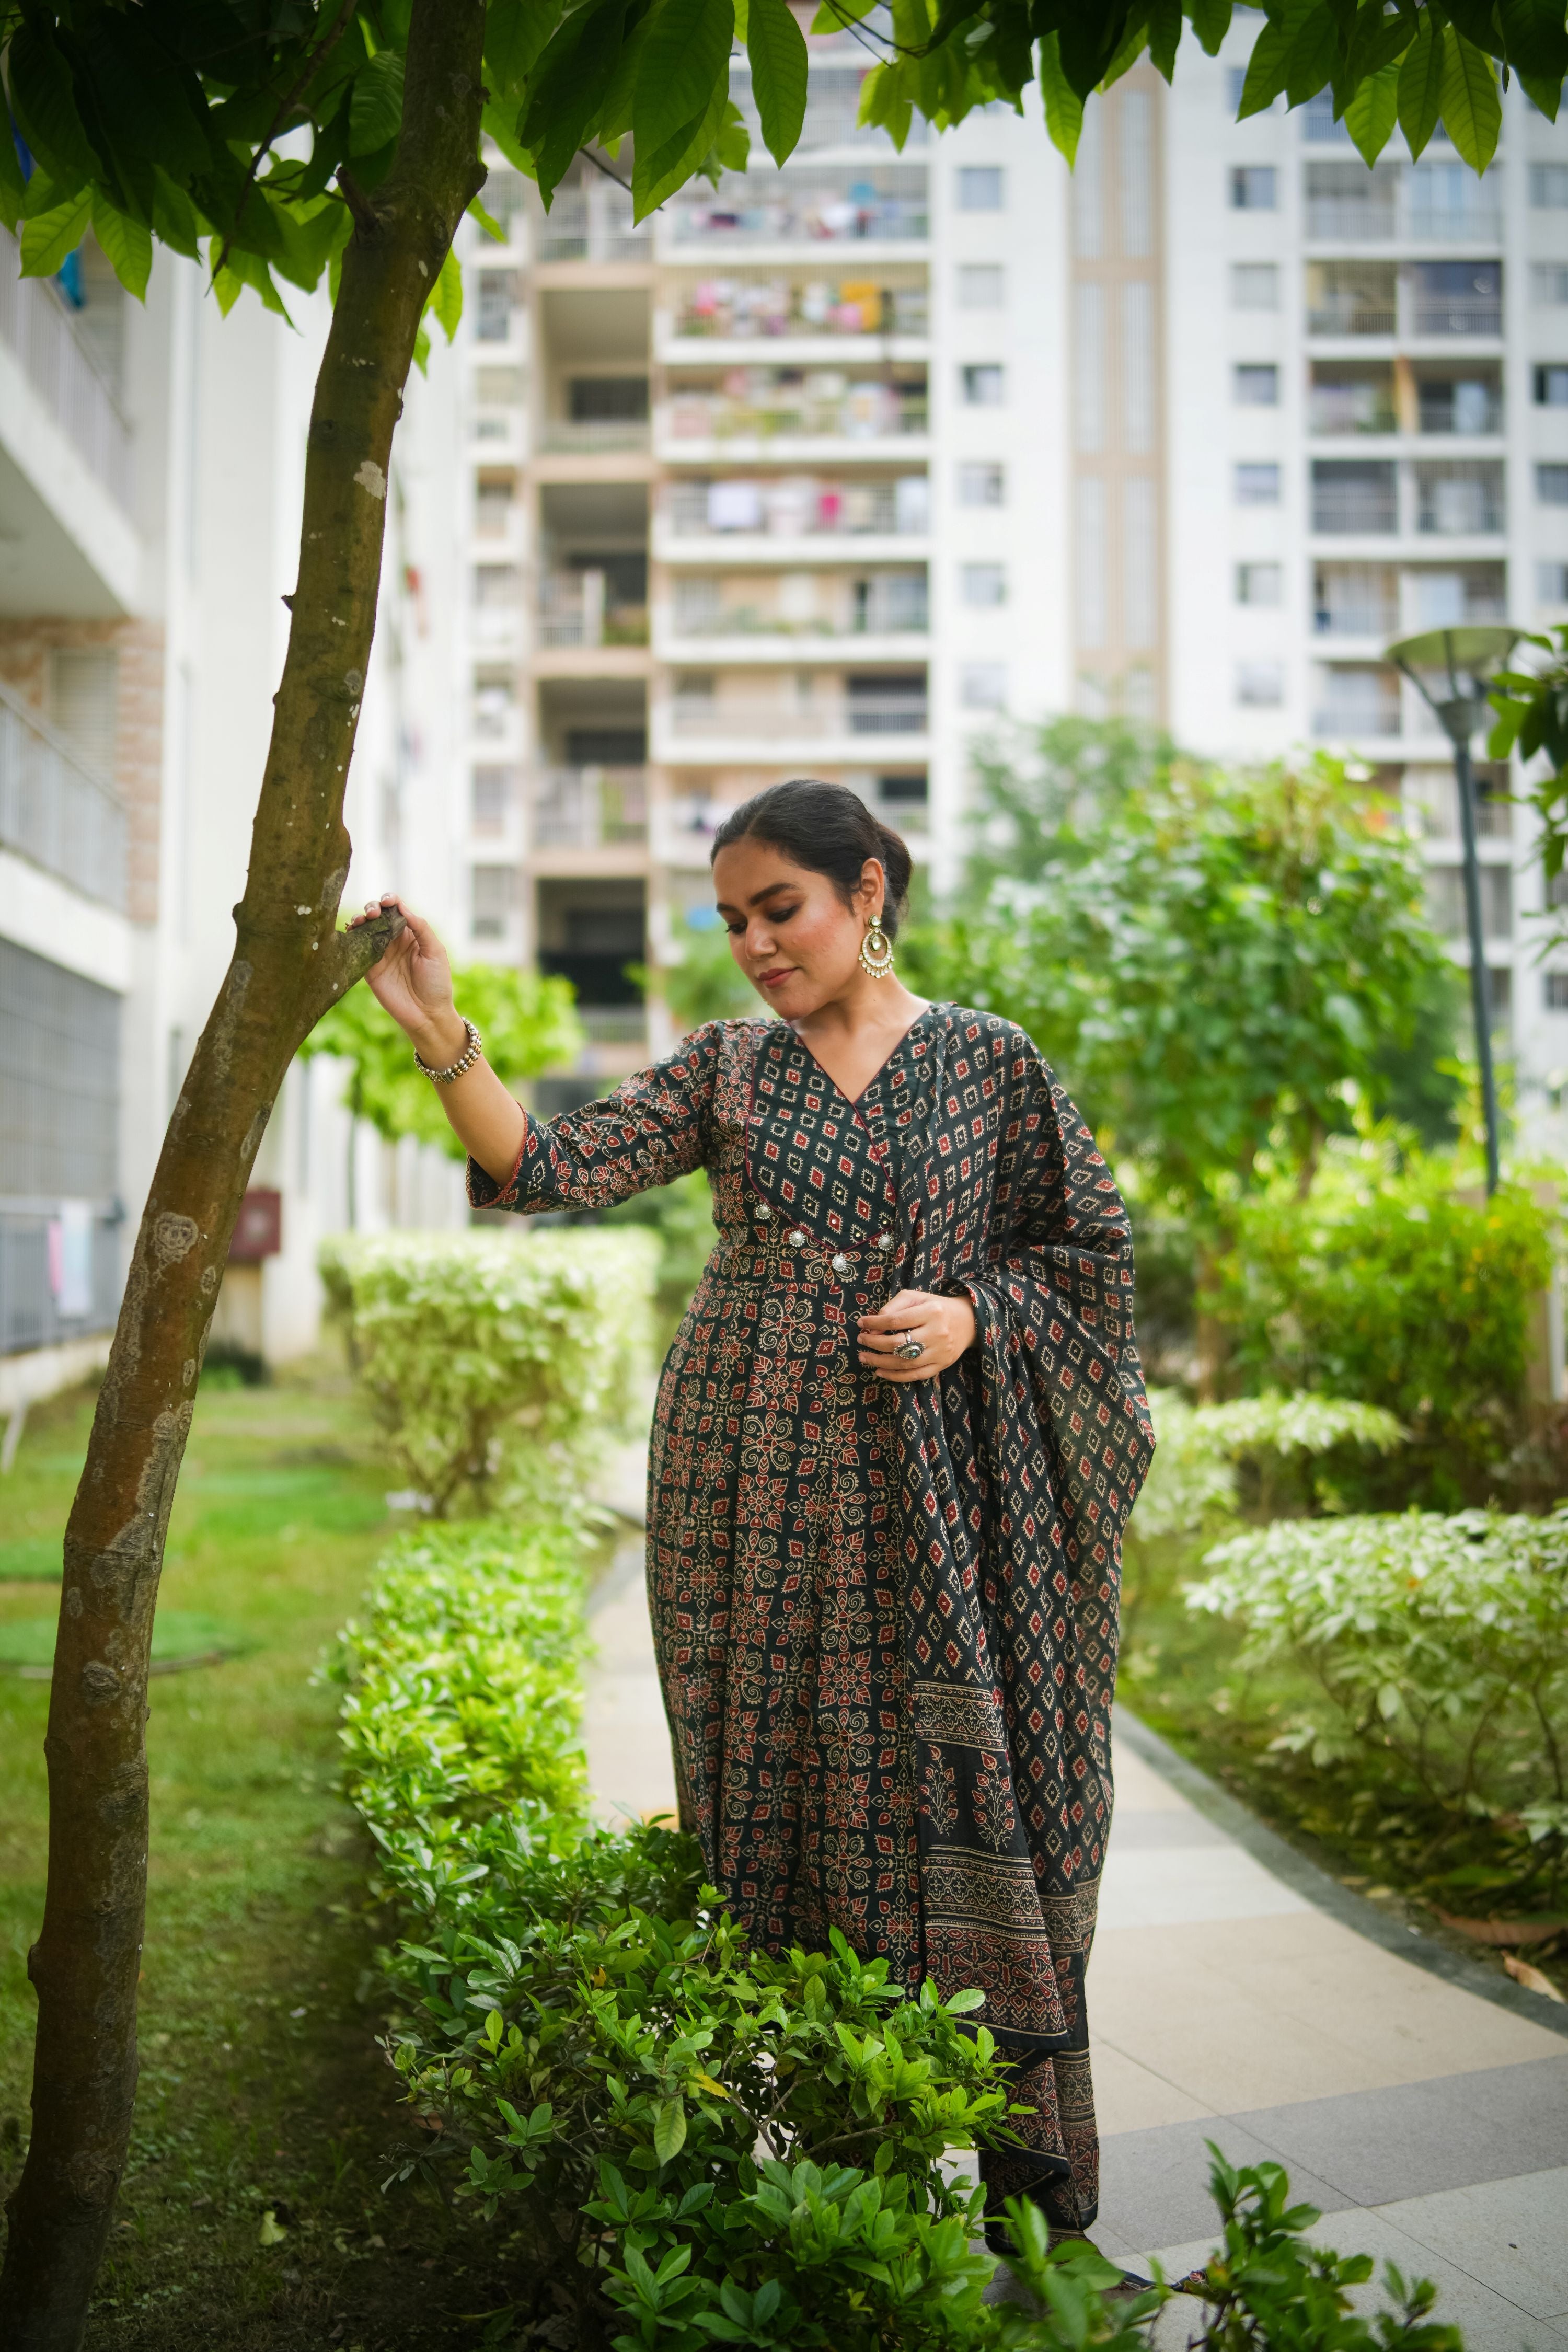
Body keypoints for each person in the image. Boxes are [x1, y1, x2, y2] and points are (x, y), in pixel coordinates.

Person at [352, 777, 1154, 2262]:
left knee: (971, 1781)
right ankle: (837, 2175)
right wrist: (434, 1027)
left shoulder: (992, 1064)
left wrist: (977, 1312)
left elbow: (1093, 1248)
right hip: (753, 1482)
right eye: (732, 919)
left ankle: (1000, 2165)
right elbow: (546, 1168)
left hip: (949, 1501)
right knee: (783, 1782)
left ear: (865, 891)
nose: (755, 943)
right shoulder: (730, 1067)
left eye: (778, 907)